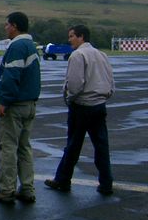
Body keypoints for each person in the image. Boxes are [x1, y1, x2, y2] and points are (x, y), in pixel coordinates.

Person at [45, 25, 115, 196]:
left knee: (73, 145)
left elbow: (75, 84)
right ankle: (106, 183)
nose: (69, 40)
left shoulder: (77, 55)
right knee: (101, 147)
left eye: (71, 36)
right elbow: (110, 81)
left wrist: (69, 98)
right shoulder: (102, 55)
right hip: (99, 105)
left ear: (81, 37)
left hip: (82, 106)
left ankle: (63, 179)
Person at [0, 12, 41, 204]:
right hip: (30, 103)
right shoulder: (31, 46)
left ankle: (6, 189)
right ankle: (27, 188)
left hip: (15, 105)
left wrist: (3, 100)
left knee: (8, 147)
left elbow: (11, 76)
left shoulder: (17, 46)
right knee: (25, 147)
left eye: (7, 25)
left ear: (14, 26)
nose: (5, 28)